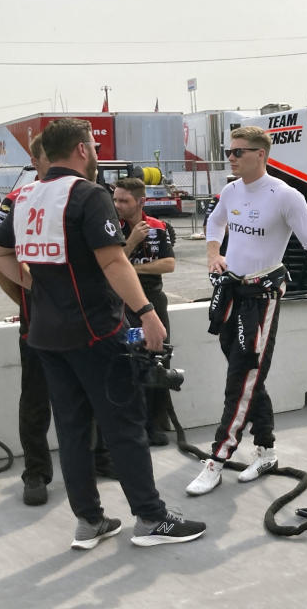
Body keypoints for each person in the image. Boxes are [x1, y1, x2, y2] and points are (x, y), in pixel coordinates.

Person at [0, 118, 205, 550]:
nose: (97, 155)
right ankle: (150, 519)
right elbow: (113, 262)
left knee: (71, 431)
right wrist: (146, 313)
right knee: (124, 426)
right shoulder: (88, 194)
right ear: (82, 150)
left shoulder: (27, 196)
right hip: (95, 332)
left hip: (45, 335)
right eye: (93, 147)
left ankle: (89, 522)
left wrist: (36, 288)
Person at [186, 126, 307, 496]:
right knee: (249, 376)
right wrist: (212, 253)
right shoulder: (231, 191)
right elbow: (216, 221)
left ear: (260, 155)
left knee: (242, 377)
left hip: (261, 296)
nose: (231, 158)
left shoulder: (286, 197)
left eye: (238, 152)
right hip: (230, 291)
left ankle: (217, 459)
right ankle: (265, 449)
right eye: (229, 152)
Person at [0, 134, 115, 506]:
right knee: (35, 401)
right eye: (45, 156)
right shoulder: (19, 201)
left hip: (86, 321)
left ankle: (99, 459)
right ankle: (36, 473)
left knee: (94, 396)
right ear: (39, 159)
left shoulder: (87, 192)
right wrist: (29, 294)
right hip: (38, 323)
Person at [113, 177, 176, 446]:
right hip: (123, 303)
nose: (118, 205)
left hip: (153, 300)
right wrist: (131, 241)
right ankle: (133, 424)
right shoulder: (110, 227)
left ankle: (155, 423)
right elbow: (111, 264)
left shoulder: (158, 227)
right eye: (115, 199)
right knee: (128, 362)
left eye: (124, 201)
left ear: (141, 201)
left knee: (158, 360)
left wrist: (134, 269)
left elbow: (169, 264)